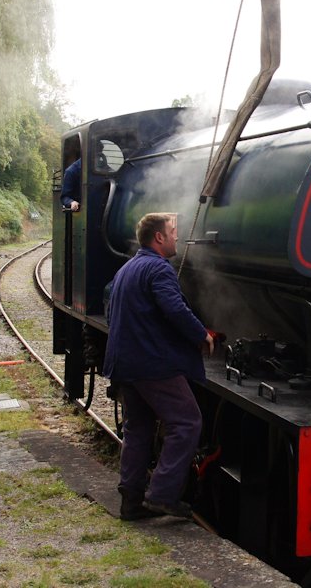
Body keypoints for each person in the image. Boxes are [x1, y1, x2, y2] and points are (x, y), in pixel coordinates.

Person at [103, 212, 215, 520]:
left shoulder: (128, 268)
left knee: (137, 429)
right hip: (151, 363)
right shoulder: (159, 269)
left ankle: (131, 501)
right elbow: (174, 308)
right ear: (159, 238)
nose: (177, 237)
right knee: (187, 422)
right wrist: (201, 334)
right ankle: (163, 494)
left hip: (125, 361)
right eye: (173, 232)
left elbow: (110, 308)